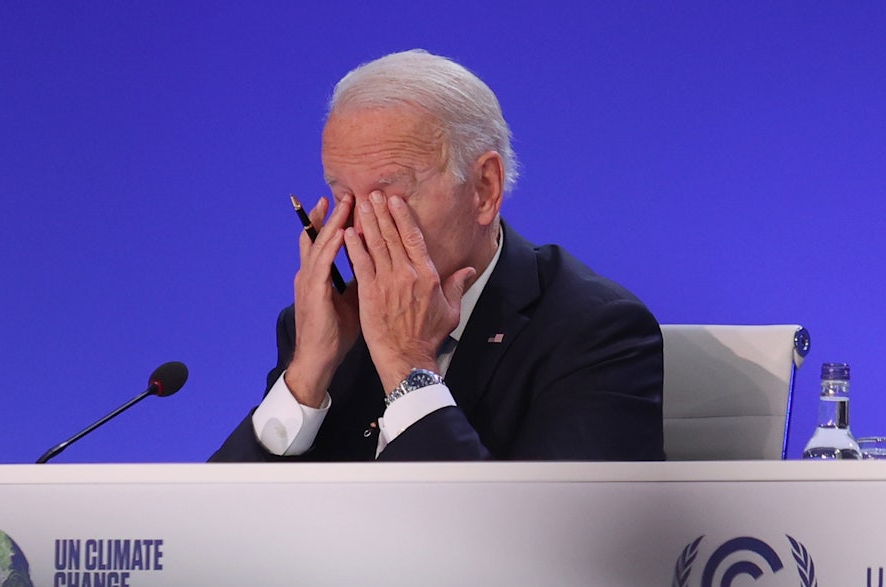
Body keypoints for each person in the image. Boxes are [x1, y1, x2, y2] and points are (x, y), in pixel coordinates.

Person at [209, 49, 663, 462]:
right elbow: (210, 530)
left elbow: (553, 544)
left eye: (390, 196)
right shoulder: (321, 329)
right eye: (342, 195)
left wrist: (408, 366)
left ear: (484, 188)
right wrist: (305, 376)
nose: (360, 227)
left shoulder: (594, 332)